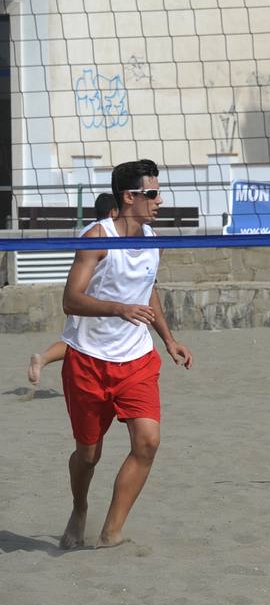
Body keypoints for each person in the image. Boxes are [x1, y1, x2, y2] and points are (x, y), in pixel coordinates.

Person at [57, 160, 192, 549]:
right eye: (152, 194)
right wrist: (119, 308)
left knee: (148, 442)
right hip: (88, 360)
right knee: (88, 455)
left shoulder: (152, 239)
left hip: (136, 360)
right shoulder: (97, 237)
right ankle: (79, 507)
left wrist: (168, 339)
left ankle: (111, 532)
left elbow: (147, 288)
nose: (159, 200)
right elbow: (70, 300)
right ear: (129, 197)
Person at [26, 193, 118, 388]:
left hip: (83, 294)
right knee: (78, 343)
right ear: (113, 212)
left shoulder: (88, 230)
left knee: (78, 342)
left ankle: (42, 360)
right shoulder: (100, 233)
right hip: (89, 300)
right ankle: (42, 359)